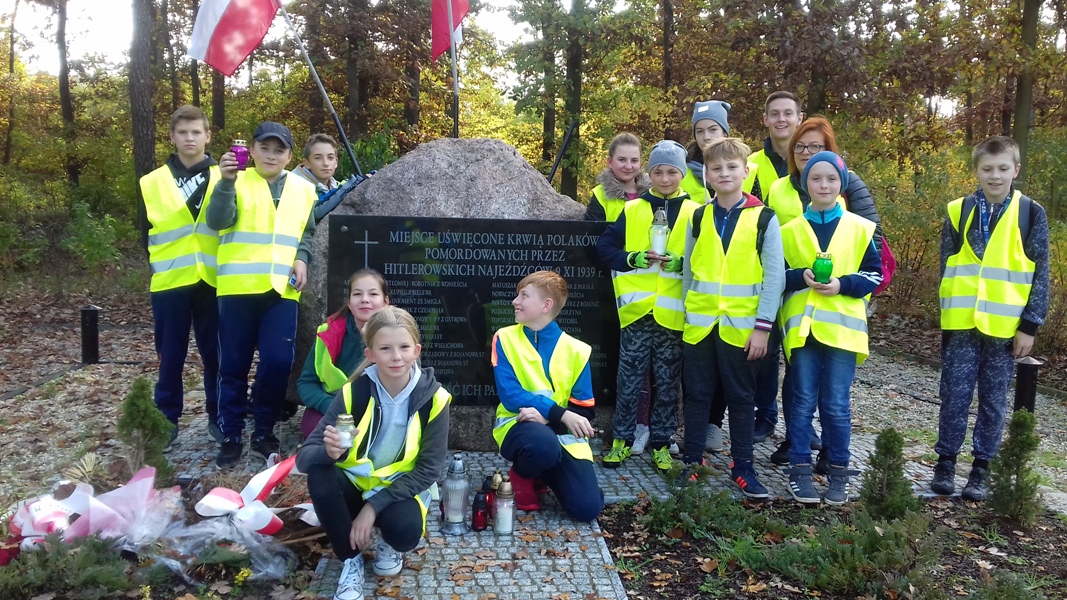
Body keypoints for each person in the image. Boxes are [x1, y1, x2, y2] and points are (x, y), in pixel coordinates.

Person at [297, 306, 450, 600]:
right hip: (355, 486)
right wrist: (330, 453)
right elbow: (305, 458)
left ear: (416, 350)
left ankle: (385, 540)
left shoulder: (436, 399)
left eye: (404, 347)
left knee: (404, 533)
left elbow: (429, 470)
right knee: (320, 474)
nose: (396, 356)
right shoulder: (353, 392)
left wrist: (373, 507)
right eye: (385, 348)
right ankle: (349, 559)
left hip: (398, 489)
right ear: (370, 354)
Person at [931, 135, 1049, 501]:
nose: (994, 176)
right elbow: (945, 268)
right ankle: (946, 462)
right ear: (977, 171)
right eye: (987, 169)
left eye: (1002, 169)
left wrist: (1029, 325)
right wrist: (946, 320)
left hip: (1004, 328)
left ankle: (982, 468)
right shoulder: (958, 210)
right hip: (962, 324)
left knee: (994, 400)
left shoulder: (1031, 213)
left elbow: (1040, 272)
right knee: (953, 394)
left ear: (1015, 170)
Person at [764, 116, 885, 469]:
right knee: (800, 400)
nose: (823, 184)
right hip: (802, 332)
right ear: (804, 182)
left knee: (835, 403)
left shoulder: (861, 228)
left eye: (831, 178)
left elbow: (874, 275)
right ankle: (800, 462)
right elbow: (775, 278)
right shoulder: (787, 231)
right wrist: (800, 277)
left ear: (842, 184)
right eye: (815, 178)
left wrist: (843, 285)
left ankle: (837, 464)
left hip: (843, 332)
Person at [207, 121, 318, 468]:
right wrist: (226, 182)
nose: (271, 155)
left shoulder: (303, 189)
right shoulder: (231, 179)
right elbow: (217, 221)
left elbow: (307, 233)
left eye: (279, 149)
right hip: (238, 289)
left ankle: (264, 429)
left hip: (281, 290)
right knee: (234, 365)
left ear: (289, 154)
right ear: (251, 150)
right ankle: (231, 433)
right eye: (265, 148)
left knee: (277, 361)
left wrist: (302, 258)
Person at [680, 138, 784, 496]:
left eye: (731, 167)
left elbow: (774, 278)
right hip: (699, 324)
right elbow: (689, 273)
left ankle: (743, 467)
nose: (724, 173)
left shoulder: (764, 218)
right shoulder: (698, 215)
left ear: (745, 171)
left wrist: (763, 328)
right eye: (716, 168)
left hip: (741, 328)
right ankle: (693, 462)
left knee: (741, 398)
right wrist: (687, 314)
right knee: (696, 395)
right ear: (706, 175)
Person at [597, 140, 700, 471]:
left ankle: (661, 442)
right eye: (658, 171)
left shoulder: (697, 211)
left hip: (673, 313)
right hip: (637, 312)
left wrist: (682, 263)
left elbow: (707, 258)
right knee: (628, 378)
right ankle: (621, 440)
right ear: (649, 173)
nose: (665, 178)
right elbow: (605, 248)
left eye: (672, 172)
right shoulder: (633, 208)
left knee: (668, 380)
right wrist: (633, 258)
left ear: (682, 173)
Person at [492, 271, 604, 521]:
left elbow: (585, 412)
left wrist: (550, 421)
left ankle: (543, 472)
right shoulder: (505, 338)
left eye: (523, 295)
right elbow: (511, 396)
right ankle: (522, 475)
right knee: (541, 443)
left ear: (546, 305)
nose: (514, 301)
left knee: (587, 509)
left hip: (559, 435)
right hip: (519, 426)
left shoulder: (577, 350)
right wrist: (559, 413)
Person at [140, 105, 222, 447]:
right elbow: (144, 230)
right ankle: (167, 418)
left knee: (216, 354)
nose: (190, 138)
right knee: (170, 355)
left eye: (196, 132)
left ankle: (219, 415)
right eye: (183, 133)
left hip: (214, 280)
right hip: (170, 281)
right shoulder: (152, 181)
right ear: (172, 137)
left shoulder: (226, 176)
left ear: (207, 136)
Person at [297, 269, 391, 439]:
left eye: (373, 294)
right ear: (348, 302)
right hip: (333, 409)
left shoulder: (397, 334)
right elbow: (306, 382)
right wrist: (330, 406)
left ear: (385, 301)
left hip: (378, 410)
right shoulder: (328, 333)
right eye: (357, 294)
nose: (364, 299)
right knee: (315, 429)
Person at [680, 100, 759, 203]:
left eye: (712, 130)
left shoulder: (749, 170)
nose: (706, 137)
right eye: (699, 131)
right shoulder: (682, 170)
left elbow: (758, 210)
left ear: (725, 132)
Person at [584, 132, 651, 222]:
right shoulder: (600, 196)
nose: (628, 166)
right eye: (622, 160)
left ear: (640, 162)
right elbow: (592, 234)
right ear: (610, 162)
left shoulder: (653, 193)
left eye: (634, 160)